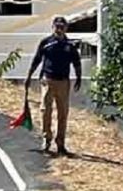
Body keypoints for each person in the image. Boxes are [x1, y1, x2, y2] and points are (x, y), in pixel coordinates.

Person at [24, 15, 83, 156]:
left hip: (63, 82)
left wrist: (79, 78)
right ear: (53, 27)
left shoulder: (70, 45)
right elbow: (37, 59)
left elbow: (76, 63)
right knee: (46, 111)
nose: (59, 29)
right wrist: (29, 76)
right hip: (48, 80)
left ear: (66, 28)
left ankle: (61, 144)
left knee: (63, 113)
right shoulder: (46, 42)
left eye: (62, 27)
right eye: (57, 26)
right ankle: (46, 140)